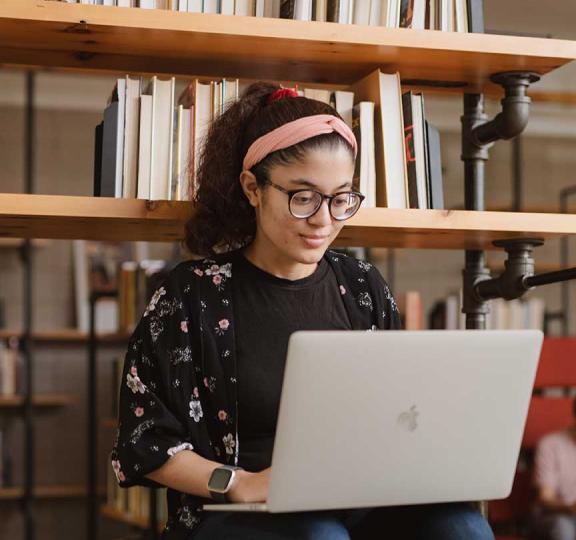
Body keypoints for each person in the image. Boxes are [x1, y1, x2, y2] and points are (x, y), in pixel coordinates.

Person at [110, 81, 495, 540]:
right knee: (319, 537)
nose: (323, 219)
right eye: (304, 197)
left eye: (340, 199)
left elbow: (397, 412)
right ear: (253, 188)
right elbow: (143, 440)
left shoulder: (363, 287)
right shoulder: (190, 296)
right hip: (237, 515)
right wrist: (239, 483)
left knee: (464, 527)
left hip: (357, 500)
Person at [532, 398, 576, 540]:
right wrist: (570, 507)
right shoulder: (550, 444)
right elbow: (545, 498)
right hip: (555, 516)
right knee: (562, 527)